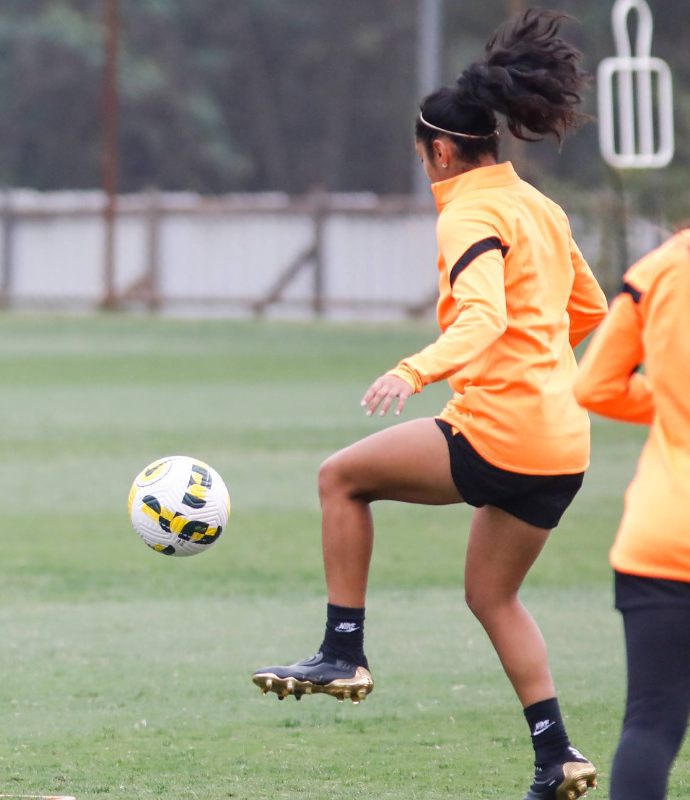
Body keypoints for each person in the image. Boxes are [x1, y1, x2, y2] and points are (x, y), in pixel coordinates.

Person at [250, 10, 607, 800]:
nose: (427, 168)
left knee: (341, 478)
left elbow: (485, 318)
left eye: (423, 158)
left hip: (499, 430)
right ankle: (557, 757)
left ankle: (344, 649)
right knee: (492, 595)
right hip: (563, 445)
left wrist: (414, 370)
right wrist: (539, 367)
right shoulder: (540, 208)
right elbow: (587, 315)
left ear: (440, 151)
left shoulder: (469, 211)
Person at [573, 230, 690, 800]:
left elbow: (594, 384)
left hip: (661, 538)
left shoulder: (658, 269)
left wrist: (670, 405)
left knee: (651, 722)